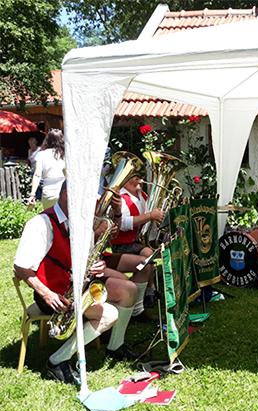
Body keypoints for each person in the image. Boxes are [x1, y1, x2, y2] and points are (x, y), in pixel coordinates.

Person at [13, 181, 139, 385]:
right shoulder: (40, 224)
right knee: (110, 314)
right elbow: (21, 267)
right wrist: (47, 294)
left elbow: (80, 259)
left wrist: (94, 266)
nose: (90, 206)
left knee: (129, 289)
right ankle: (57, 360)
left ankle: (115, 346)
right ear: (66, 195)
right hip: (54, 294)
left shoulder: (79, 222)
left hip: (79, 285)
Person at [110, 174, 164, 319]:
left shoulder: (143, 196)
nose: (140, 179)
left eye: (140, 175)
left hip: (137, 242)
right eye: (135, 177)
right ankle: (144, 298)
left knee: (149, 254)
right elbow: (123, 224)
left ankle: (145, 294)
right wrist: (150, 216)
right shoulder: (122, 197)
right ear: (126, 180)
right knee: (147, 255)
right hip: (121, 244)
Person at [28, 129, 66, 209]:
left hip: (48, 193)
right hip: (63, 191)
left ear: (47, 140)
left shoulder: (41, 154)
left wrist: (32, 194)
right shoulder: (65, 154)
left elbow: (37, 175)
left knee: (50, 219)